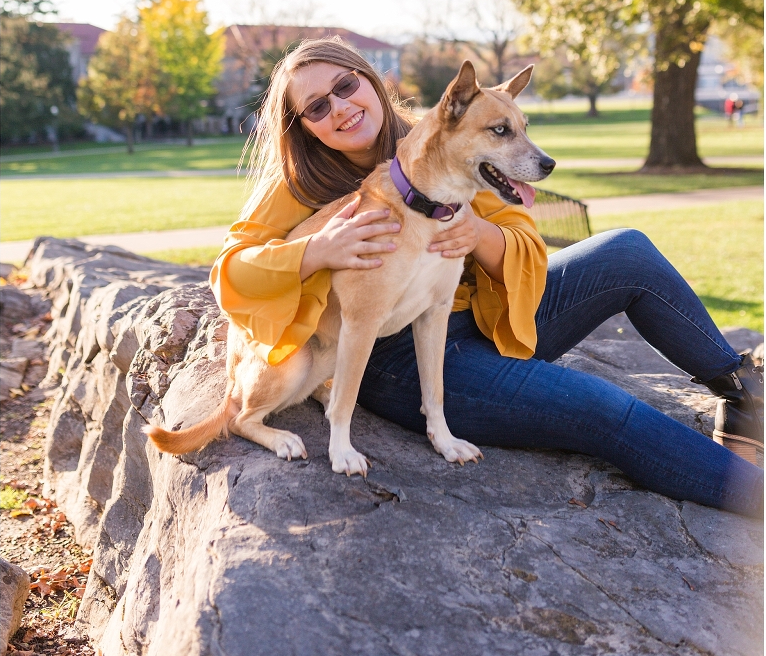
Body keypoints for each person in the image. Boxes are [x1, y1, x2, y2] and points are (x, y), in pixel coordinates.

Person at [210, 38, 763, 517]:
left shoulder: (448, 135)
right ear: (303, 127)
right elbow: (229, 273)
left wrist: (479, 234)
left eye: (346, 85)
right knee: (602, 408)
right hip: (397, 356)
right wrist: (315, 250)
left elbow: (528, 243)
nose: (340, 107)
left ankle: (743, 395)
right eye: (316, 107)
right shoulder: (298, 183)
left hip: (483, 314)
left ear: (370, 81)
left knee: (627, 251)